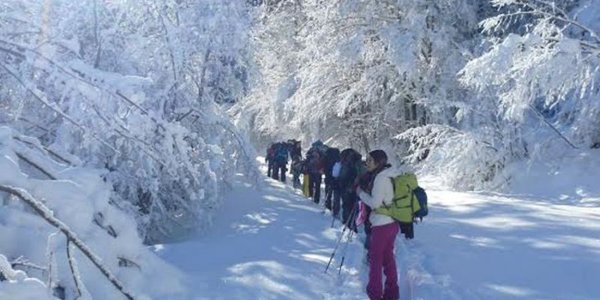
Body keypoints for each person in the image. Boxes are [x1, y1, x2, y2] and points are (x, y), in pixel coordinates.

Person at [356, 150, 399, 300]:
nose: (367, 163)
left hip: (381, 224)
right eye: (367, 160)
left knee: (376, 260)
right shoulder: (390, 174)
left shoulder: (381, 178)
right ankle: (392, 293)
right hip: (392, 222)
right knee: (388, 258)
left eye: (370, 160)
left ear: (378, 162)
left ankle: (374, 294)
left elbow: (375, 203)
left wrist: (360, 193)